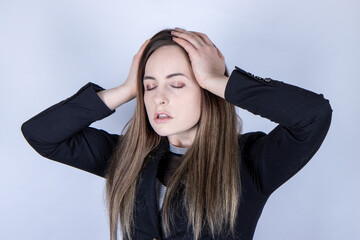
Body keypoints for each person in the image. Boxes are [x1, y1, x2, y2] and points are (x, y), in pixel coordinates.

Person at [21, 27, 333, 240]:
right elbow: (41, 134)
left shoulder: (250, 162)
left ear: (206, 90)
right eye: (150, 85)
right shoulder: (129, 158)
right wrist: (126, 89)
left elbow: (312, 116)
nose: (159, 98)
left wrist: (221, 83)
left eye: (177, 83)